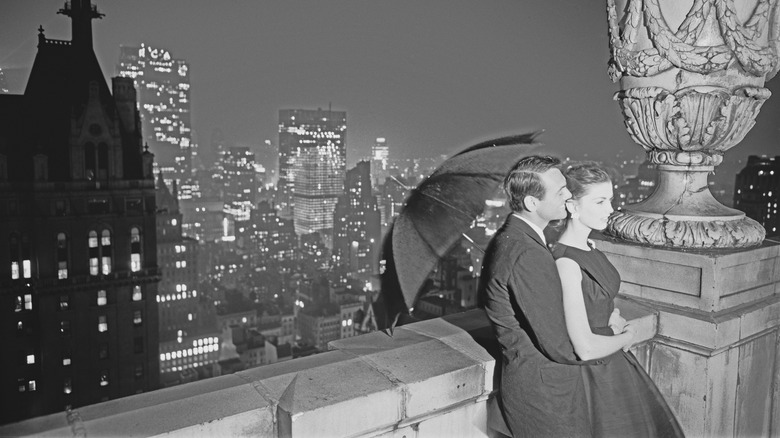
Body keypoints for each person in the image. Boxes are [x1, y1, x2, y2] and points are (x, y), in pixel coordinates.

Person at [479, 155, 624, 437]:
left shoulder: (514, 238)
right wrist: (614, 335)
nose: (569, 194)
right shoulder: (527, 253)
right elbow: (561, 346)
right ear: (533, 203)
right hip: (546, 395)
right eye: (560, 191)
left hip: (540, 386)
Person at [552, 162, 684, 437]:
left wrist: (610, 315)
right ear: (572, 207)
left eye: (609, 200)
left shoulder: (591, 247)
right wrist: (627, 337)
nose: (610, 210)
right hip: (594, 374)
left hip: (611, 360)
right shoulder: (566, 262)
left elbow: (597, 299)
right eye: (600, 201)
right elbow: (584, 348)